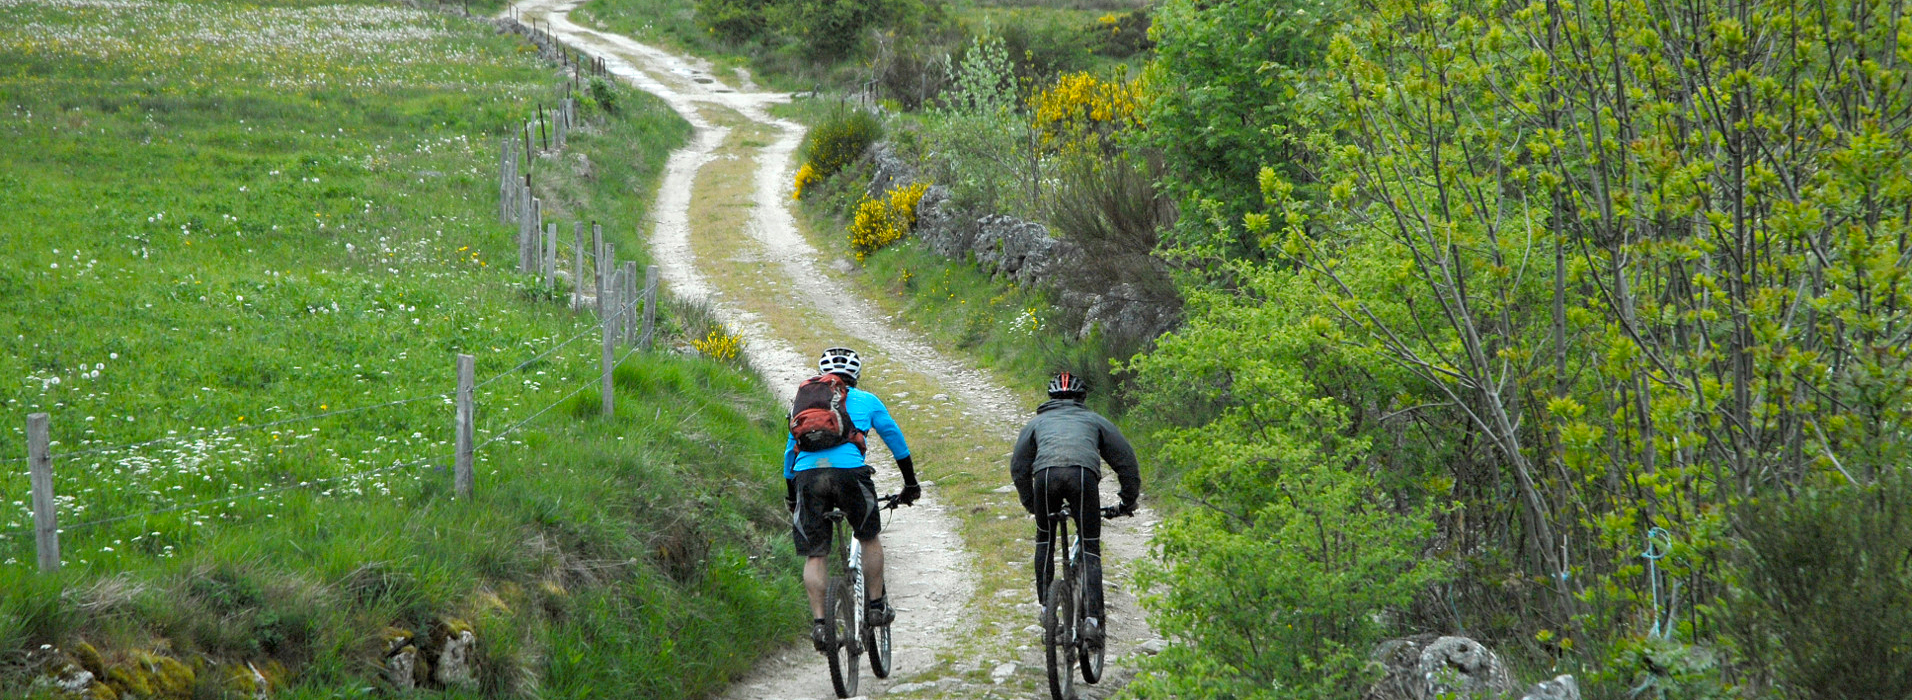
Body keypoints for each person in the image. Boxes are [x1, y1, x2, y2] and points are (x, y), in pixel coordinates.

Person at [784, 347, 921, 652]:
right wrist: (910, 483)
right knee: (869, 536)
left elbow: (788, 453)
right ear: (856, 376)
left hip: (807, 477)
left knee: (816, 554)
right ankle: (875, 606)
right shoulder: (867, 400)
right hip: (850, 474)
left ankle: (820, 625)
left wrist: (792, 496)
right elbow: (895, 440)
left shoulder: (803, 404)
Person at [1010, 371, 1140, 650]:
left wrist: (1030, 503)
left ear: (1050, 399)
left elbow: (1019, 467)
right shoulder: (1094, 420)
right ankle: (1092, 621)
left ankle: (1047, 612)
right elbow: (1126, 461)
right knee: (1090, 547)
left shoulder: (1036, 423)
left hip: (1045, 478)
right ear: (1082, 398)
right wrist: (1128, 501)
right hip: (1083, 477)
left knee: (1045, 540)